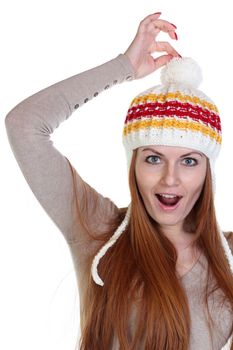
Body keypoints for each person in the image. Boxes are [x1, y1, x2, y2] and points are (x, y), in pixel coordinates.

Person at [5, 11, 233, 350]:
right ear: (133, 163)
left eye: (188, 161)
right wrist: (124, 67)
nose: (170, 179)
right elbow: (25, 125)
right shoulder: (97, 229)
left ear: (207, 170)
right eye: (153, 158)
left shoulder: (227, 258)